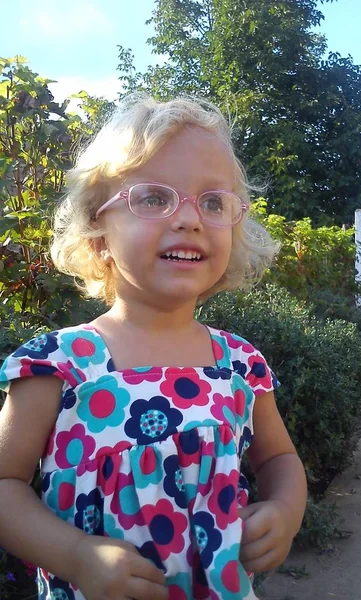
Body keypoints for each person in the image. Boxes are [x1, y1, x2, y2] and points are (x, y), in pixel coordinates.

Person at [0, 94, 307, 600]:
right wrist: (77, 555)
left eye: (213, 202)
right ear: (98, 235)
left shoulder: (240, 364)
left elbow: (279, 459)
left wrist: (286, 510)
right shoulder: (59, 365)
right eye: (153, 198)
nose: (189, 219)